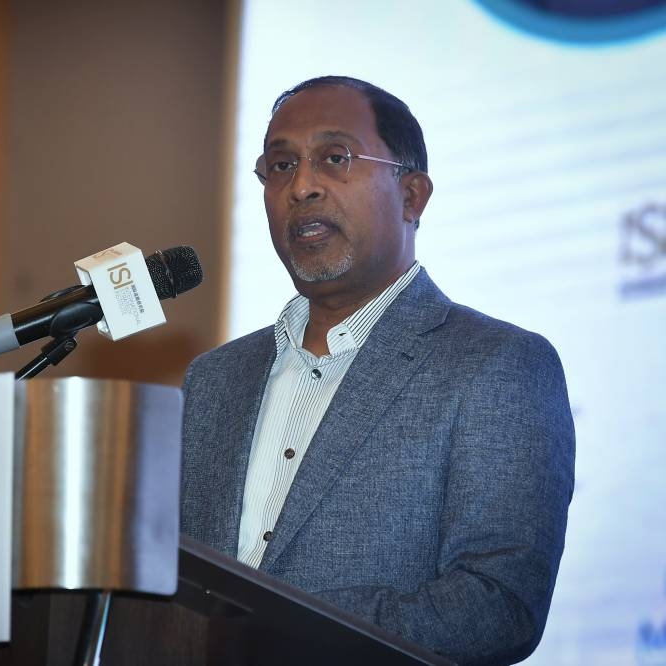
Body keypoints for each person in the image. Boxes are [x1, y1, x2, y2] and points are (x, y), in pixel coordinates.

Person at [180, 76, 575, 666]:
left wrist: (265, 634)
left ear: (411, 196)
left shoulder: (498, 365)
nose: (302, 186)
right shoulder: (213, 381)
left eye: (334, 158)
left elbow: (498, 605)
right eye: (281, 166)